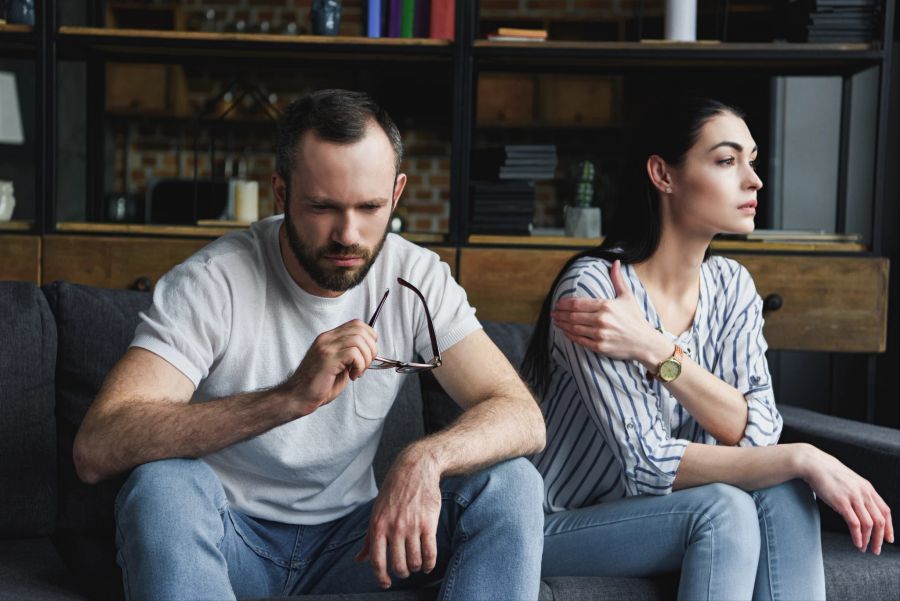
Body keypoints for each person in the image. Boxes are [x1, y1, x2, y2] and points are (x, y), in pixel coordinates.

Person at [73, 89, 546, 601]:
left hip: (359, 546)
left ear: (398, 191)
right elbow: (96, 448)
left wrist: (424, 460)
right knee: (161, 488)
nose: (348, 235)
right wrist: (288, 398)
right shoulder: (213, 282)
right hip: (228, 539)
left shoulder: (416, 277)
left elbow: (521, 416)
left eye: (370, 207)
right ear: (281, 193)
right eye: (323, 207)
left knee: (513, 483)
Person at [522, 97, 894, 601]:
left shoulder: (732, 286)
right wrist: (803, 455)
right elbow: (647, 463)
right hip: (561, 525)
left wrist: (657, 350)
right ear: (663, 174)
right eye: (726, 160)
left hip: (673, 511)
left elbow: (760, 431)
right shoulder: (595, 290)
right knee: (729, 507)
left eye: (752, 160)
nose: (753, 180)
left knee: (783, 488)